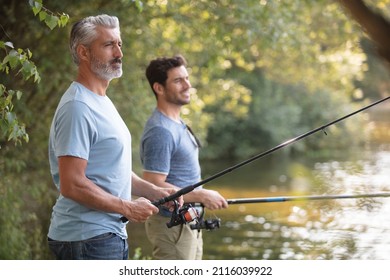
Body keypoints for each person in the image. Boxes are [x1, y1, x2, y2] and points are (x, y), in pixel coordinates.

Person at [47, 14, 180, 260]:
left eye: (119, 44)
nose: (119, 53)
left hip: (105, 236)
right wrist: (128, 207)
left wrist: (152, 191)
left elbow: (110, 170)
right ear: (83, 53)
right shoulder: (78, 106)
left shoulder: (101, 101)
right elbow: (72, 183)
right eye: (108, 45)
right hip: (87, 239)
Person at [141, 55, 229, 260]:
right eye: (178, 80)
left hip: (189, 222)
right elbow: (153, 185)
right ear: (159, 88)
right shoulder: (160, 131)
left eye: (186, 78)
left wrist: (200, 199)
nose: (187, 85)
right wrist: (202, 196)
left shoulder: (177, 123)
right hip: (171, 226)